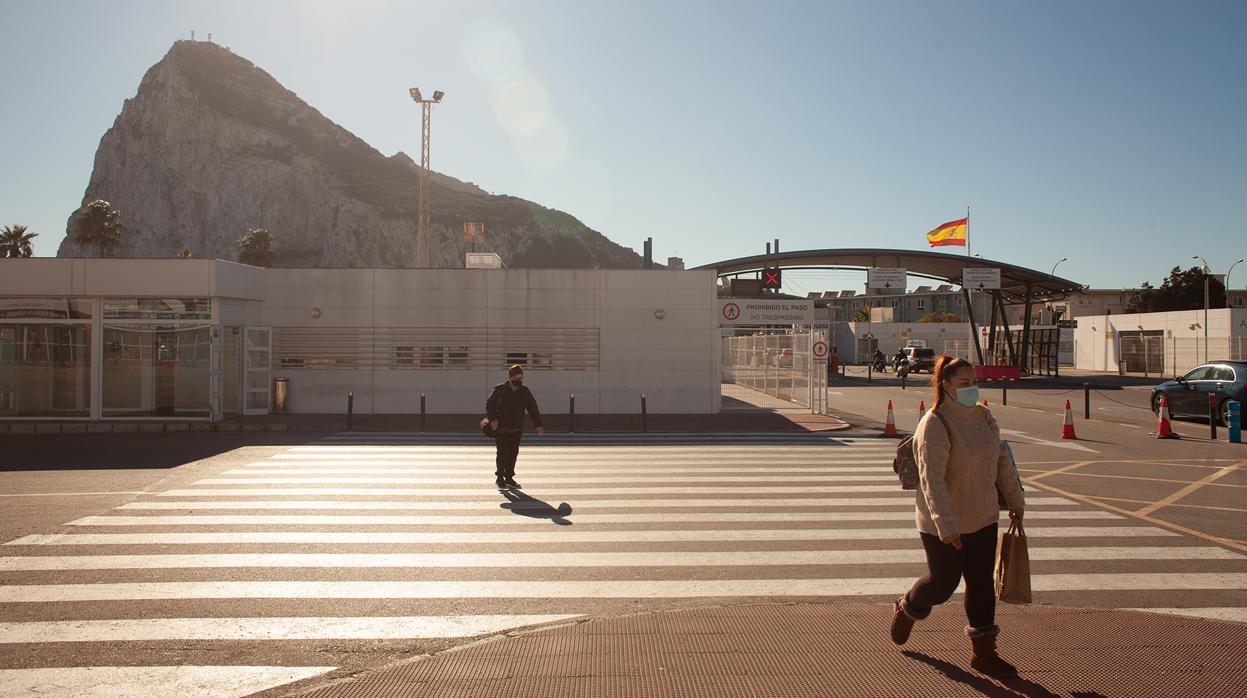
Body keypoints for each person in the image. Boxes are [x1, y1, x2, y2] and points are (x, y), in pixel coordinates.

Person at [889, 355, 1026, 678]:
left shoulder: (983, 416)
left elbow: (1001, 459)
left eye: (974, 382)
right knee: (943, 584)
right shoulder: (935, 423)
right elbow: (932, 480)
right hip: (942, 521)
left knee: (980, 584)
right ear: (946, 385)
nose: (972, 389)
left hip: (983, 515)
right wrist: (945, 525)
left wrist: (1016, 500)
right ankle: (909, 606)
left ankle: (984, 653)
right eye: (965, 384)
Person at [486, 364, 544, 488]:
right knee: (502, 453)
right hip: (501, 428)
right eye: (515, 379)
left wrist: (538, 424)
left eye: (520, 378)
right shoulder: (500, 389)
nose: (518, 381)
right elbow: (489, 404)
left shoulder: (525, 391)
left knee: (513, 454)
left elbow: (533, 408)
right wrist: (493, 419)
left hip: (516, 428)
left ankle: (509, 478)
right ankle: (500, 477)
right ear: (509, 377)